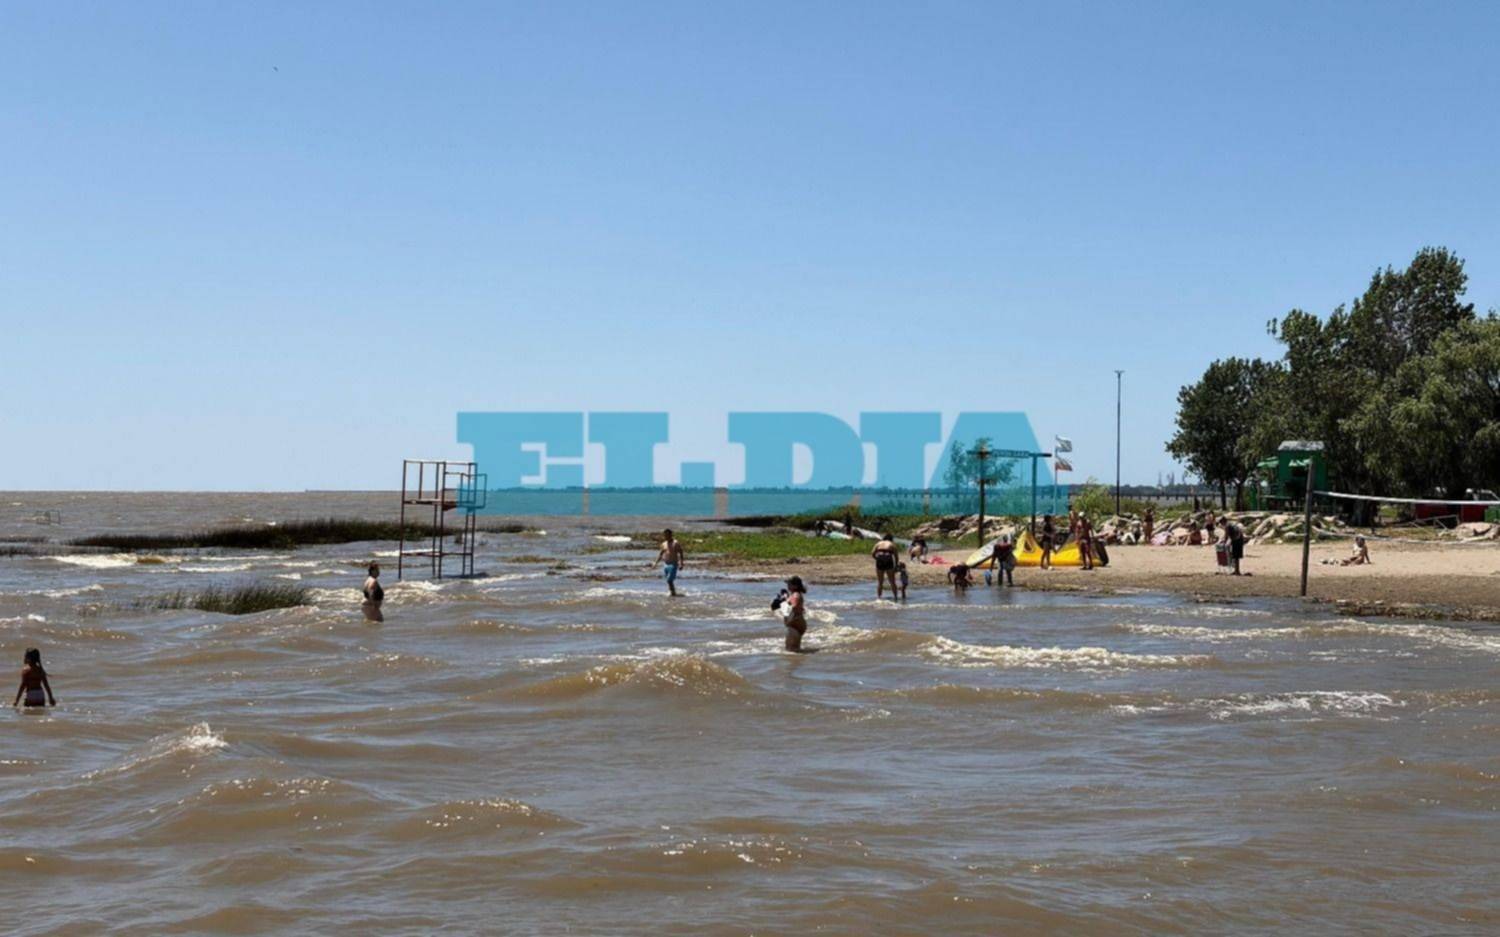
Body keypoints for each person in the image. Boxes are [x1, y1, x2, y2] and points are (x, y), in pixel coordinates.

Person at [651, 529, 686, 596]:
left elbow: (680, 552)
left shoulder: (675, 543)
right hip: (666, 564)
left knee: (669, 580)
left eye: (667, 535)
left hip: (673, 564)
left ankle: (673, 593)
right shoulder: (664, 544)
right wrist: (655, 563)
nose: (666, 536)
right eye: (665, 535)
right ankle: (673, 592)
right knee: (669, 580)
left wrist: (681, 563)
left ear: (671, 535)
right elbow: (661, 554)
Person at [780, 575, 809, 652]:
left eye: (789, 584)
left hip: (795, 624)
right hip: (797, 623)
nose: (787, 586)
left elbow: (795, 606)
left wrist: (785, 604)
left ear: (795, 586)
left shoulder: (795, 595)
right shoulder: (795, 594)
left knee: (790, 650)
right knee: (794, 649)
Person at [871, 532, 900, 599]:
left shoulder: (878, 543)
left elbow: (872, 553)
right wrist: (896, 566)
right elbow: (896, 557)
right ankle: (895, 597)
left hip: (880, 561)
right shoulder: (892, 544)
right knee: (892, 581)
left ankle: (879, 598)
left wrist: (877, 559)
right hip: (888, 561)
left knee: (880, 582)